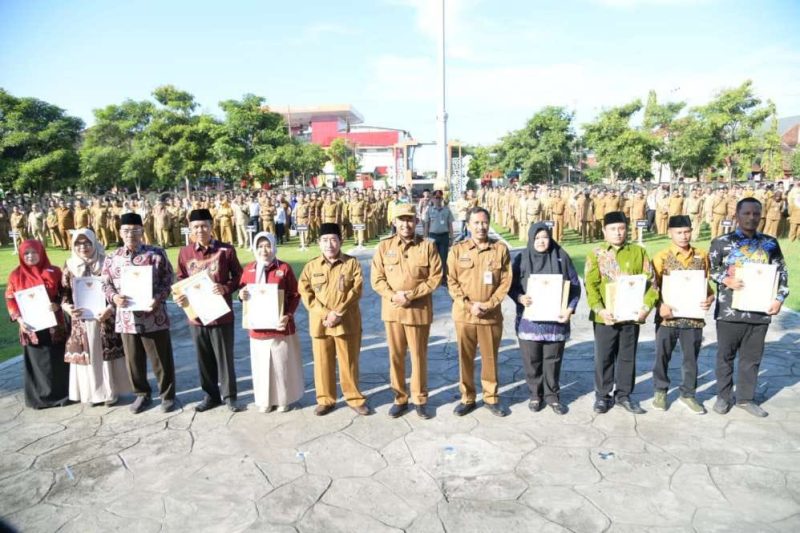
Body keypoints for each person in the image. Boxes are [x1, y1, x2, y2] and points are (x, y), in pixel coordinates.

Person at [709, 198, 789, 417]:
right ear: (737, 215)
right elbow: (711, 270)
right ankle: (723, 397)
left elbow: (782, 272)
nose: (752, 217)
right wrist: (726, 279)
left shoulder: (770, 243)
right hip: (730, 312)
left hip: (760, 311)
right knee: (725, 357)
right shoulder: (721, 242)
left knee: (752, 358)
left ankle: (746, 398)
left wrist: (779, 298)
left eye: (756, 214)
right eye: (747, 213)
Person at [371, 204, 442, 419]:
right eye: (401, 219)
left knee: (419, 356)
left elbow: (435, 277)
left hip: (418, 311)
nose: (406, 224)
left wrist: (410, 295)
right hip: (393, 311)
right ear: (394, 221)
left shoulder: (428, 247)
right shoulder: (384, 247)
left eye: (410, 219)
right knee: (396, 356)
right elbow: (377, 278)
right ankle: (400, 398)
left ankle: (420, 398)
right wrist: (394, 296)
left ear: (417, 222)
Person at [584, 211, 659, 415]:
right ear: (604, 231)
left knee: (627, 356)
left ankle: (624, 395)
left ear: (627, 229)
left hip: (631, 315)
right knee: (604, 356)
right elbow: (591, 285)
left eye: (621, 228)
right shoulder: (596, 253)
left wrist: (646, 308)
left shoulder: (638, 252)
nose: (618, 233)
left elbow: (652, 283)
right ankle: (602, 396)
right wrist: (600, 309)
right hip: (606, 317)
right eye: (613, 229)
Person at [102, 212, 177, 414]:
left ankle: (167, 395)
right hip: (127, 319)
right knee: (133, 360)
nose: (130, 234)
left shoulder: (155, 254)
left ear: (142, 231)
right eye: (126, 231)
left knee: (161, 358)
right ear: (120, 232)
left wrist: (158, 299)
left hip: (154, 316)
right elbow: (106, 284)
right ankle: (142, 395)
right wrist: (114, 298)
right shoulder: (112, 258)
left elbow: (169, 280)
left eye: (135, 230)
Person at [174, 209, 243, 412]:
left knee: (224, 357)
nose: (200, 230)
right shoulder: (185, 253)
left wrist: (225, 287)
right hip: (197, 316)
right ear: (190, 229)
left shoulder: (226, 250)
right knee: (203, 358)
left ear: (212, 227)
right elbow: (180, 278)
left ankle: (230, 396)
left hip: (221, 313)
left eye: (204, 225)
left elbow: (239, 276)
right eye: (196, 227)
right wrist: (180, 295)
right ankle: (210, 395)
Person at [508, 222, 581, 415]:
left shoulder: (561, 257)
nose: (541, 241)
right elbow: (511, 286)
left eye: (545, 237)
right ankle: (535, 394)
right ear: (531, 239)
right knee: (532, 360)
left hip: (555, 322)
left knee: (552, 360)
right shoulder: (522, 258)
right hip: (529, 321)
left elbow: (574, 286)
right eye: (537, 238)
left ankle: (552, 396)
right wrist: (520, 297)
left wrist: (570, 309)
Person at [298, 223, 370, 416]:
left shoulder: (351, 263)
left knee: (349, 362)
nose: (329, 244)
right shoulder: (311, 266)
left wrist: (337, 312)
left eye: (333, 239)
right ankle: (325, 399)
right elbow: (305, 293)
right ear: (318, 243)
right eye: (324, 240)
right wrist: (325, 314)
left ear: (340, 241)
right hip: (321, 324)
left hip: (347, 322)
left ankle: (354, 398)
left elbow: (356, 290)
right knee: (322, 363)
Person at [447, 207, 512, 417]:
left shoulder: (500, 250)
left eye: (484, 222)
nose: (480, 227)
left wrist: (489, 304)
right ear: (468, 226)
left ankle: (491, 397)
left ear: (489, 223)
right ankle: (467, 398)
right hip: (465, 315)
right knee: (465, 358)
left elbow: (505, 281)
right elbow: (451, 281)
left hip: (490, 315)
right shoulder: (457, 250)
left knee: (490, 357)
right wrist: (469, 305)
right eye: (476, 223)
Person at [650, 215, 715, 414]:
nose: (684, 236)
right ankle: (660, 391)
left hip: (693, 318)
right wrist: (660, 305)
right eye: (679, 232)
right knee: (662, 355)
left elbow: (707, 286)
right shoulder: (661, 257)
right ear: (670, 233)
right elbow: (653, 287)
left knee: (691, 358)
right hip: (667, 317)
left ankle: (688, 393)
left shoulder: (701, 256)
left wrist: (709, 299)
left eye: (687, 232)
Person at [62, 229, 130, 406]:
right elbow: (64, 294)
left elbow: (119, 288)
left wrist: (110, 307)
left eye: (87, 243)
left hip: (104, 319)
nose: (82, 247)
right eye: (78, 243)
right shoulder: (69, 265)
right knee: (88, 354)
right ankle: (90, 394)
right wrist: (67, 308)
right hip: (81, 321)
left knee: (105, 355)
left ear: (94, 243)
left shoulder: (106, 262)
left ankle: (109, 393)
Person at [239, 232, 303, 412]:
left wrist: (288, 314)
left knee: (281, 364)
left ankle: (283, 400)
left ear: (274, 247)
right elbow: (243, 292)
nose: (264, 250)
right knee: (261, 366)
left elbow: (295, 295)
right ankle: (264, 400)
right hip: (258, 329)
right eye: (259, 246)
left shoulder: (284, 268)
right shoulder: (249, 269)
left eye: (267, 246)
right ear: (254, 248)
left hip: (280, 327)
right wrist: (242, 295)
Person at [5, 240, 70, 408]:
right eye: (26, 253)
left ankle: (63, 395)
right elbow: (11, 299)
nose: (30, 256)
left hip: (54, 325)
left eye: (34, 252)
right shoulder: (15, 275)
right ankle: (40, 398)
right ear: (21, 255)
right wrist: (19, 319)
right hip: (31, 327)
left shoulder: (54, 271)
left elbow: (64, 292)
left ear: (41, 253)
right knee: (38, 362)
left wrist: (57, 304)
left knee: (58, 360)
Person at [424, 191, 454, 285]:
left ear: (442, 199)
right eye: (436, 198)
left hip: (444, 236)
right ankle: (433, 277)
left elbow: (450, 225)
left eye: (439, 198)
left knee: (444, 258)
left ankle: (443, 278)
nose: (437, 199)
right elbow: (426, 225)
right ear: (432, 199)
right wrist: (425, 238)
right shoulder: (429, 210)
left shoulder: (447, 210)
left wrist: (451, 238)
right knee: (432, 258)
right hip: (433, 236)